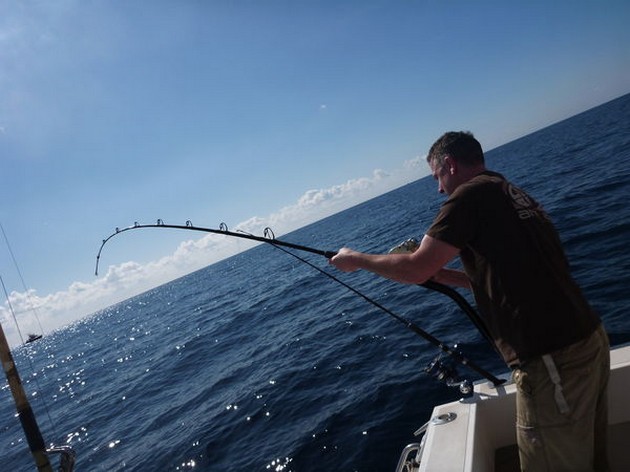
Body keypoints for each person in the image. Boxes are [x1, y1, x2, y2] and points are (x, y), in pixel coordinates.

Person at [329, 131, 610, 472]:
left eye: (437, 177)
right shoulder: (511, 193)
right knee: (591, 457)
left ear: (449, 164)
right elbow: (510, 277)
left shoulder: (468, 197)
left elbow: (416, 267)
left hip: (552, 359)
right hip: (588, 341)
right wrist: (443, 275)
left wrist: (355, 259)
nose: (439, 188)